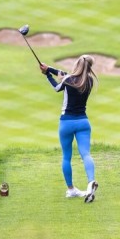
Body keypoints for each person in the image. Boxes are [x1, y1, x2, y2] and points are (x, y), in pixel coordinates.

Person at [40, 55, 99, 203]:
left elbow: (56, 87)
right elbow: (67, 75)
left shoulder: (68, 80)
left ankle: (71, 189)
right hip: (83, 122)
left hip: (66, 122)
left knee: (67, 156)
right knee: (86, 154)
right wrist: (50, 69)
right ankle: (91, 181)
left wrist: (47, 74)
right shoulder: (89, 81)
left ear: (77, 65)